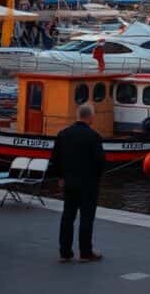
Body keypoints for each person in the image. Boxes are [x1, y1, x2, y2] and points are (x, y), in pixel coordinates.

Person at [50, 104, 105, 263]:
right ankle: (85, 253)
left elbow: (55, 159)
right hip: (88, 184)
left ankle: (65, 252)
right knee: (86, 218)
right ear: (89, 117)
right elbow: (100, 161)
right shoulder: (93, 136)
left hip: (69, 183)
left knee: (67, 216)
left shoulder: (63, 134)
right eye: (94, 115)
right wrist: (98, 178)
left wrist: (60, 177)